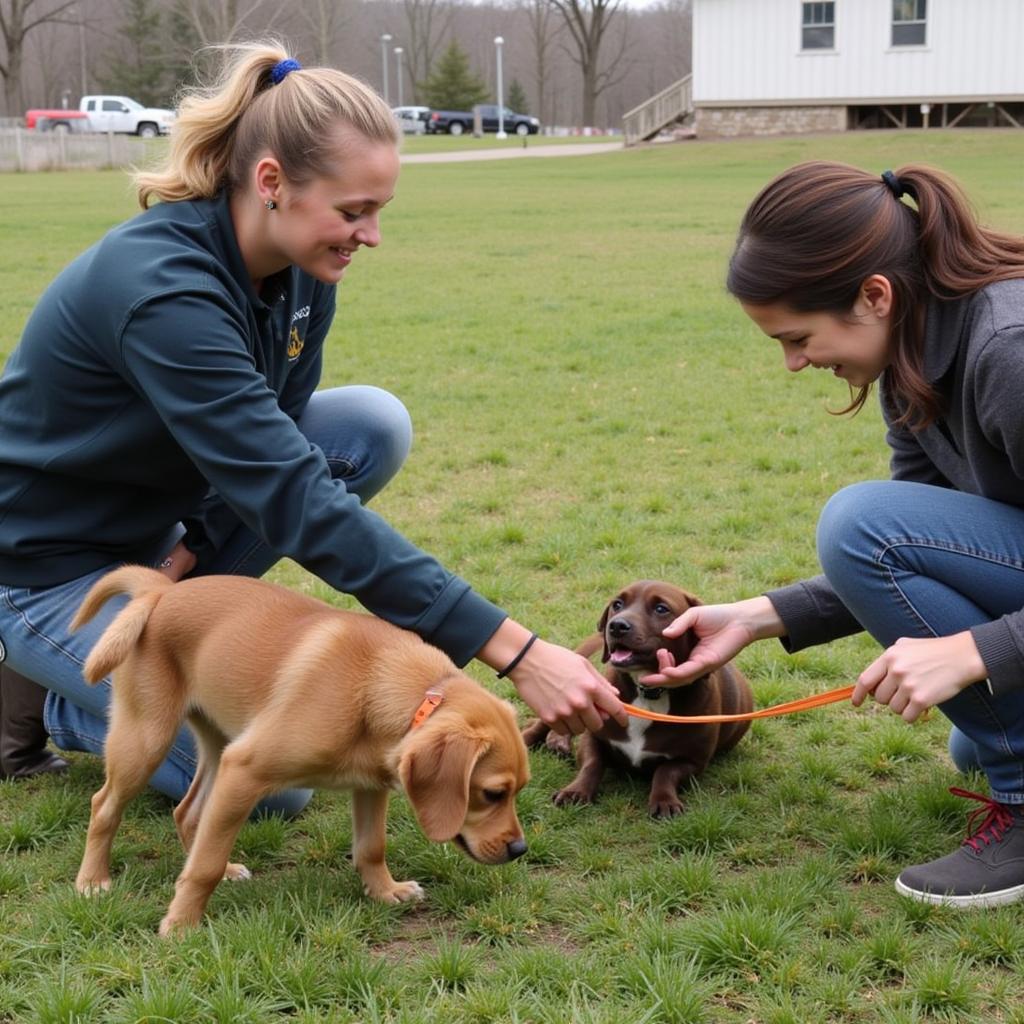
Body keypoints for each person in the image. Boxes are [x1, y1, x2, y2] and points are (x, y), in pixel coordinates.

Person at [0, 42, 625, 808]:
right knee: (273, 787)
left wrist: (190, 545)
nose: (370, 236)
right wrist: (516, 651)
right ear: (271, 183)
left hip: (154, 536)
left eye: (378, 212)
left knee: (368, 426)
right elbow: (292, 494)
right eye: (353, 211)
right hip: (41, 568)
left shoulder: (302, 273)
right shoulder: (162, 292)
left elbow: (284, 444)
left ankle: (156, 654)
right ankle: (59, 697)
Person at [642, 160, 1024, 908]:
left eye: (797, 337)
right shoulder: (911, 361)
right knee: (969, 742)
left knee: (857, 519)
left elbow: (875, 539)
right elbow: (921, 546)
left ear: (874, 295)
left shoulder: (1008, 350)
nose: (793, 363)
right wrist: (759, 617)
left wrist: (978, 650)